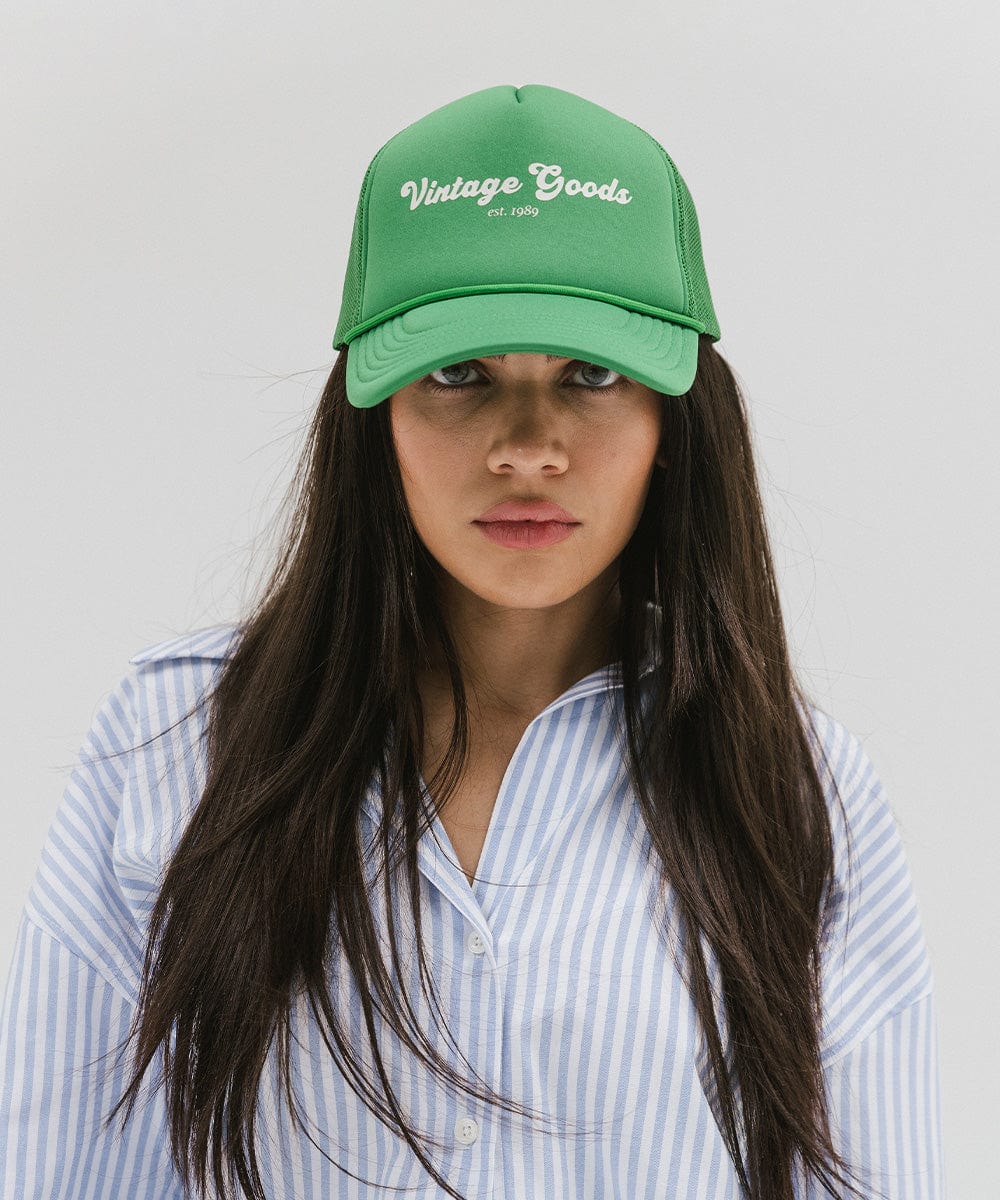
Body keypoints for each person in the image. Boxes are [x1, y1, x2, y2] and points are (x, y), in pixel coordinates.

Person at [0, 84, 944, 1200]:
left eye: (590, 376)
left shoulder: (796, 790)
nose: (529, 447)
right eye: (460, 375)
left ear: (674, 423)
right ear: (372, 411)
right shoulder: (176, 744)